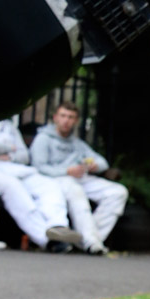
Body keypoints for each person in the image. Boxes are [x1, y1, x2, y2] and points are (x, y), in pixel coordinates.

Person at [29, 102, 128, 255]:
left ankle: (90, 240)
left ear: (76, 121)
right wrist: (67, 170)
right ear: (55, 118)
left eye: (71, 117)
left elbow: (102, 162)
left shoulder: (77, 143)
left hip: (81, 177)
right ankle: (92, 242)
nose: (66, 120)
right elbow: (39, 167)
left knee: (118, 192)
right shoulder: (44, 139)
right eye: (63, 116)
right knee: (76, 192)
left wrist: (95, 166)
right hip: (57, 180)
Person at [0, 116, 82, 250]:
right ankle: (46, 239)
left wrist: (5, 155)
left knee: (48, 184)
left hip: (15, 167)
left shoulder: (9, 126)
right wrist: (8, 148)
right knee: (15, 191)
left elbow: (24, 155)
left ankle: (58, 226)